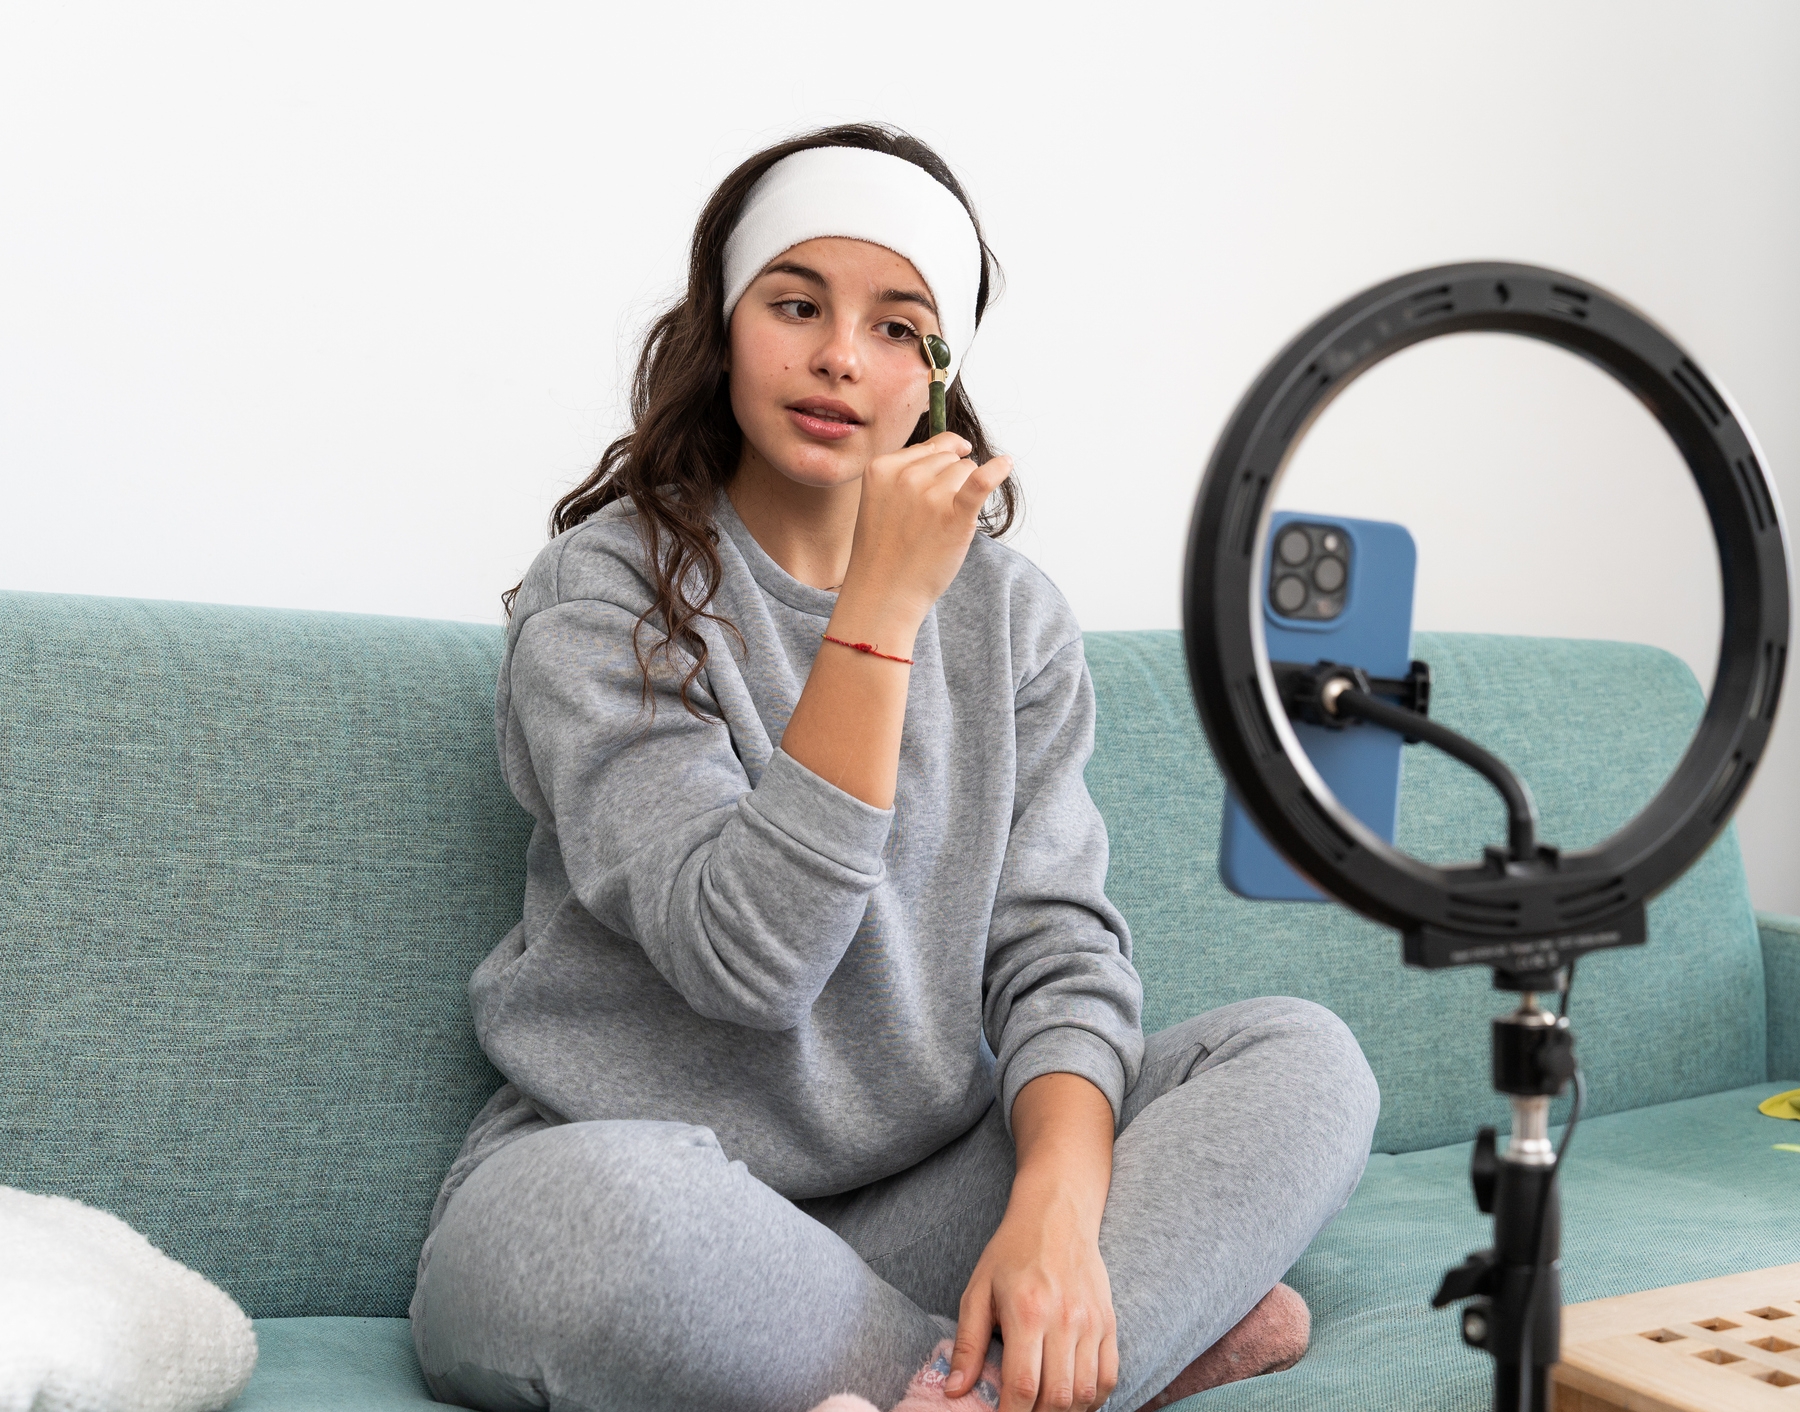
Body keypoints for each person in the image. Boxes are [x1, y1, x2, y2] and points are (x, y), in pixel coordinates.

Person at [410, 123, 1379, 1412]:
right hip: (631, 1193)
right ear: (723, 326)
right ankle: (1103, 1369)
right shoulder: (603, 594)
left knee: (1299, 1060)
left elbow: (1057, 957)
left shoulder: (1013, 617)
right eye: (795, 304)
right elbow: (747, 959)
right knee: (610, 1227)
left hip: (924, 1201)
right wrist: (878, 609)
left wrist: (1052, 1214)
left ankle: (980, 1374)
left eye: (897, 327)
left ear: (942, 370)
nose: (836, 358)